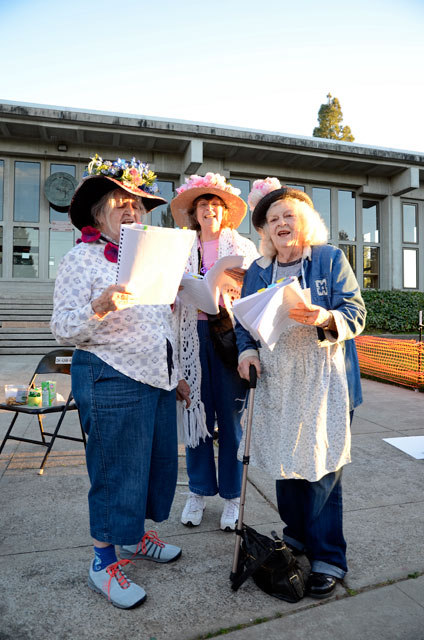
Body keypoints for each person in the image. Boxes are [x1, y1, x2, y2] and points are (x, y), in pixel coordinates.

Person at [50, 154, 191, 609]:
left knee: (154, 468)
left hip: (156, 378)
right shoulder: (80, 259)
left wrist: (177, 375)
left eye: (138, 206)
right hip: (110, 374)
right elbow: (62, 328)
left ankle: (137, 538)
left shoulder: (156, 260)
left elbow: (162, 323)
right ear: (98, 215)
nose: (131, 212)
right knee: (116, 473)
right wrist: (101, 306)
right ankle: (102, 562)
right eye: (120, 204)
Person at [235, 178, 366, 599]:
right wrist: (246, 353)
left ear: (304, 222)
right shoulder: (258, 271)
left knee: (323, 471)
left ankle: (327, 556)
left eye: (288, 215)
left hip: (325, 381)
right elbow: (244, 323)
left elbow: (355, 313)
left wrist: (324, 317)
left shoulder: (329, 259)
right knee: (286, 467)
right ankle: (296, 536)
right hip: (278, 382)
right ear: (266, 232)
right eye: (272, 219)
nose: (280, 223)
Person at [170, 173, 259, 530]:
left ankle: (233, 498)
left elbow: (257, 291)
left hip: (230, 337)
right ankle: (198, 492)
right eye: (203, 204)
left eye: (215, 205)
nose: (209, 209)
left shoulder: (242, 247)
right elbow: (164, 288)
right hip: (192, 335)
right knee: (197, 418)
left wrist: (238, 285)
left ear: (225, 213)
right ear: (194, 212)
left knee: (231, 421)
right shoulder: (180, 246)